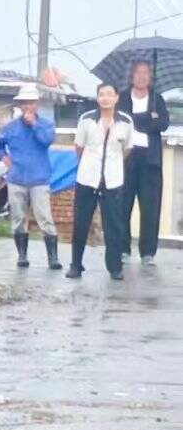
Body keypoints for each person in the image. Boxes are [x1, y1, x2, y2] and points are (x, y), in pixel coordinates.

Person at [67, 82, 135, 281]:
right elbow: (79, 147)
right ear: (97, 98)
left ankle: (115, 267)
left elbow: (127, 149)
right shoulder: (86, 119)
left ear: (116, 98)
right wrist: (90, 164)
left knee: (114, 224)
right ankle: (76, 265)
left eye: (109, 94)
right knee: (81, 223)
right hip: (87, 178)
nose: (105, 98)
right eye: (101, 94)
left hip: (113, 180)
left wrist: (112, 166)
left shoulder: (125, 122)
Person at [0, 83, 61, 270]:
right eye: (24, 103)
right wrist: (4, 158)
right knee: (18, 218)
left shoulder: (46, 125)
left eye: (31, 102)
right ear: (20, 105)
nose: (27, 106)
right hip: (16, 178)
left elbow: (46, 141)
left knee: (44, 217)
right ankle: (22, 255)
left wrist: (34, 125)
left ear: (36, 104)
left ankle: (53, 258)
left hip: (39, 178)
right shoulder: (11, 127)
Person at [117, 59, 171, 267]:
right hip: (126, 159)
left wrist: (138, 121)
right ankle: (122, 249)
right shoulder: (121, 98)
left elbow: (163, 123)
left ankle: (148, 252)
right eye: (138, 72)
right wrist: (148, 120)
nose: (141, 76)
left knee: (151, 207)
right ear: (132, 76)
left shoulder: (157, 99)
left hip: (150, 162)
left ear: (151, 77)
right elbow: (120, 121)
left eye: (145, 73)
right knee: (122, 205)